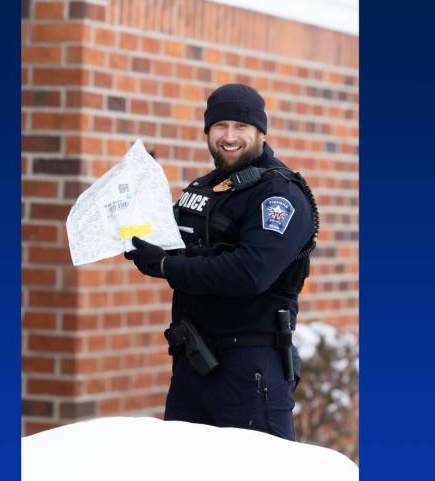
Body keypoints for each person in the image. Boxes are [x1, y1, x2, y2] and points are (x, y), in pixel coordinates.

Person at [124, 83, 318, 440]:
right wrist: (136, 227)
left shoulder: (278, 194)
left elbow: (250, 273)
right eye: (220, 126)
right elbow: (175, 243)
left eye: (241, 127)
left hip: (250, 375)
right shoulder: (205, 189)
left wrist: (167, 267)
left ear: (260, 131)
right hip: (194, 365)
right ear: (208, 132)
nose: (229, 137)